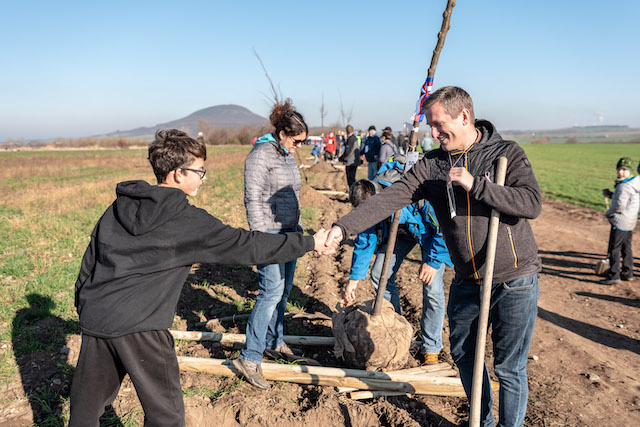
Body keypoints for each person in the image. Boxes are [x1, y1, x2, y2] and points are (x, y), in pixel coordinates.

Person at [69, 129, 329, 426]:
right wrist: (309, 243)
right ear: (178, 174)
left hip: (97, 317)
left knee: (86, 408)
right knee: (167, 415)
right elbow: (248, 246)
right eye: (199, 171)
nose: (203, 178)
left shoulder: (119, 206)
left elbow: (91, 259)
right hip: (142, 327)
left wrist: (84, 304)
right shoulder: (187, 220)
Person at [324, 86, 542, 427]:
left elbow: (531, 203)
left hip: (514, 279)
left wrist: (478, 187)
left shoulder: (505, 153)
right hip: (468, 280)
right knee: (466, 357)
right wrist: (343, 228)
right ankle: (481, 422)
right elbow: (390, 198)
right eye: (430, 125)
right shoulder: (432, 166)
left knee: (508, 367)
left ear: (464, 116)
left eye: (439, 124)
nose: (433, 133)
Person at [342, 161, 452, 365]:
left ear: (376, 200)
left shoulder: (414, 194)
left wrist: (433, 262)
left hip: (431, 234)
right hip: (400, 232)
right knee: (378, 273)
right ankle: (399, 331)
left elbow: (444, 229)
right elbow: (365, 240)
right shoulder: (369, 203)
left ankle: (431, 347)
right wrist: (354, 280)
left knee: (432, 287)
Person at [236, 99, 310, 390]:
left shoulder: (286, 154)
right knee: (271, 291)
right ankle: (249, 356)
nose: (299, 146)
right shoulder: (260, 155)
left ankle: (274, 342)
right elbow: (252, 197)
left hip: (290, 232)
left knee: (285, 290)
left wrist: (298, 224)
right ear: (283, 133)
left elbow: (292, 193)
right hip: (269, 234)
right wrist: (260, 236)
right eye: (297, 140)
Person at [600, 157, 640, 285]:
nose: (621, 172)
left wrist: (608, 214)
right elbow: (624, 198)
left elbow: (619, 206)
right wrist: (612, 194)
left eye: (624, 170)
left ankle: (614, 274)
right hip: (630, 221)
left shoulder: (623, 185)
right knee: (626, 247)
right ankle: (628, 272)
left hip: (620, 221)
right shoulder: (634, 183)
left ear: (630, 171)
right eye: (619, 169)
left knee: (614, 249)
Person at [339, 124, 360, 189]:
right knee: (351, 179)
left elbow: (348, 151)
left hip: (350, 162)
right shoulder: (354, 138)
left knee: (351, 179)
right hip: (354, 161)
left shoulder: (351, 139)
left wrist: (342, 158)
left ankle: (353, 194)